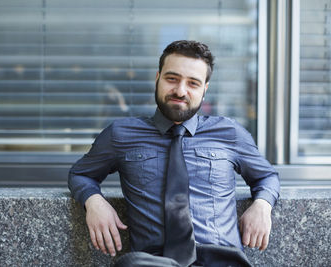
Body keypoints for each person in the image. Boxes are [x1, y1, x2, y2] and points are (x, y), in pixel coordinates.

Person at [68, 40, 280, 267]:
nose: (180, 91)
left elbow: (266, 176)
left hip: (221, 260)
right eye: (172, 79)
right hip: (152, 262)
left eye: (193, 83)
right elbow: (81, 174)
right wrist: (94, 201)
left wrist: (262, 206)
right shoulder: (121, 134)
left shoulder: (230, 133)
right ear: (157, 78)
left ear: (205, 89)